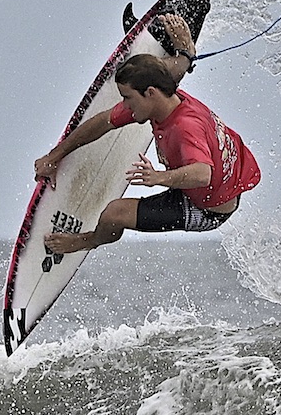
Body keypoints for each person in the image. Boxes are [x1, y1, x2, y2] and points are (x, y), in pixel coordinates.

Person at [35, 14, 260, 254]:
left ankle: (87, 241)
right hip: (211, 178)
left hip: (207, 208)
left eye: (128, 98)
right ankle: (185, 53)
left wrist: (158, 178)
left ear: (150, 93)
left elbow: (203, 174)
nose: (125, 105)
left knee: (115, 214)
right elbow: (102, 122)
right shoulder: (164, 95)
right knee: (174, 73)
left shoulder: (185, 127)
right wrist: (54, 156)